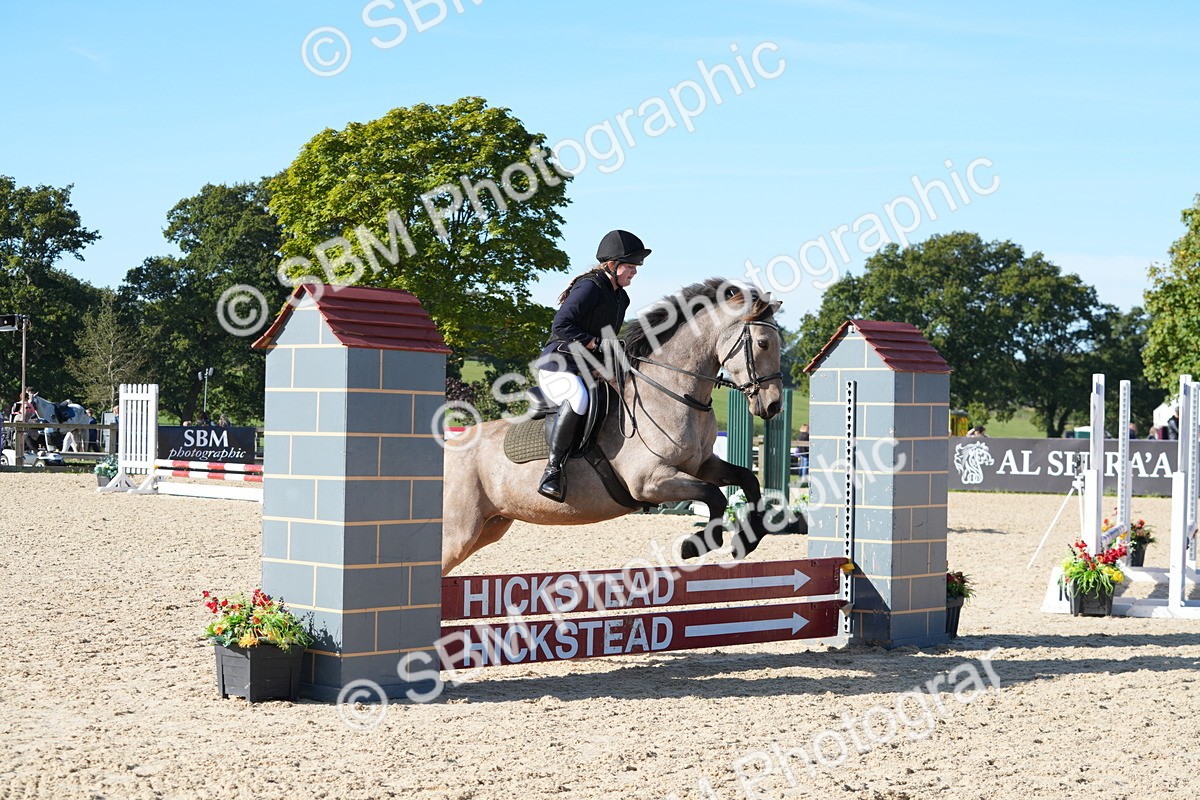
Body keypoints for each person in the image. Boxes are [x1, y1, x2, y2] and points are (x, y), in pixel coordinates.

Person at [532, 229, 649, 501]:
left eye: (635, 267)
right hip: (559, 364)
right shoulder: (589, 286)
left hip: (589, 367)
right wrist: (597, 344)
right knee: (578, 398)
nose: (634, 272)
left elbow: (608, 339)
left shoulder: (621, 297)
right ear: (612, 265)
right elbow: (561, 326)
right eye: (630, 266)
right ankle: (553, 470)